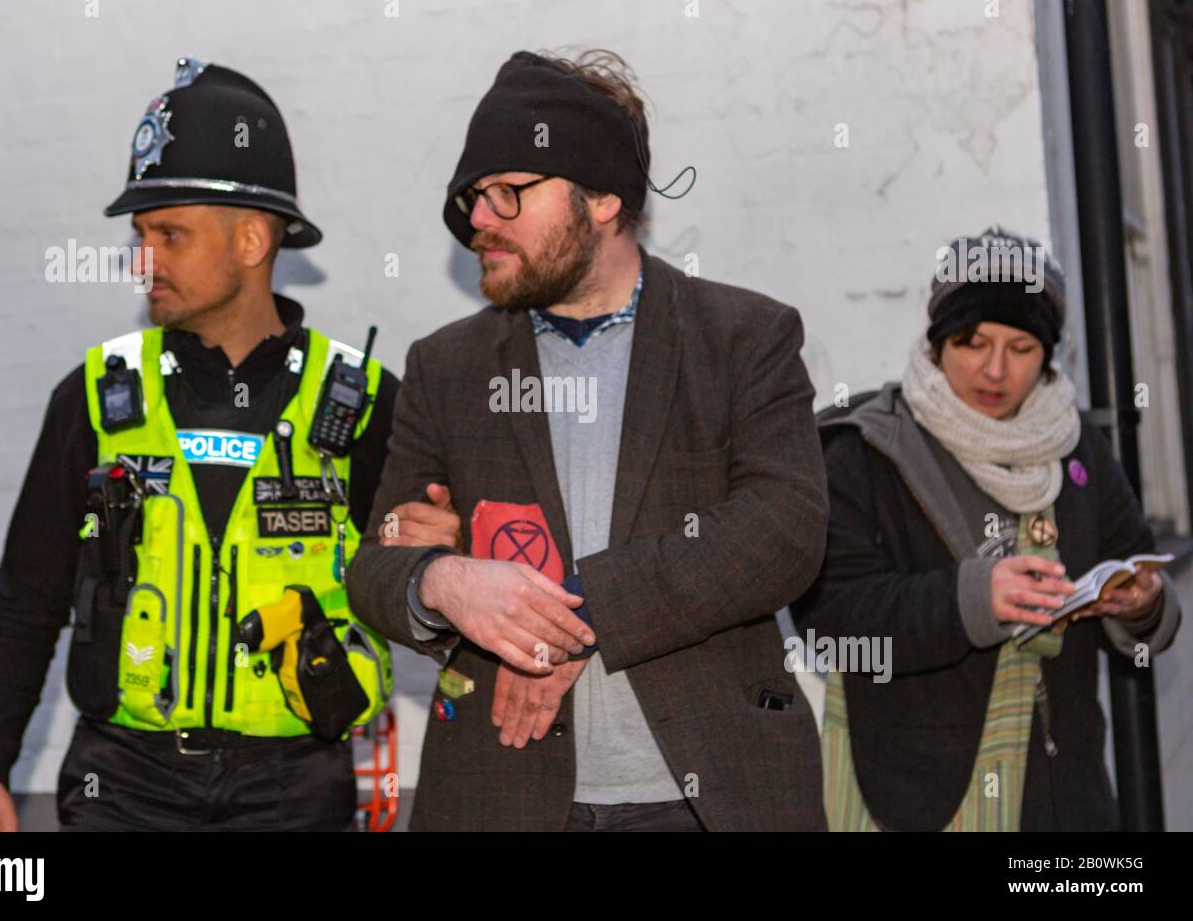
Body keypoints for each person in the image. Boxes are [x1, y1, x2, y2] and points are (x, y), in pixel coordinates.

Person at [347, 49, 830, 831]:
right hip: (503, 796)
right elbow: (376, 565)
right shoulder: (447, 367)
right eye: (474, 197)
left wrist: (569, 617)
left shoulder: (743, 337)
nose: (478, 218)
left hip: (712, 797)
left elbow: (783, 531)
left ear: (602, 197)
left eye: (509, 192)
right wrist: (442, 581)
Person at [0, 57, 426, 831]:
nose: (145, 259)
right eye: (140, 235)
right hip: (122, 784)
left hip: (297, 790)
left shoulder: (365, 403)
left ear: (250, 239)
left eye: (169, 234)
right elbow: (23, 598)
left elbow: (421, 590)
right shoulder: (98, 396)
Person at [793, 227, 1181, 831]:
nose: (995, 369)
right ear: (938, 340)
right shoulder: (863, 449)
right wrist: (975, 599)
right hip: (922, 803)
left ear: (1048, 354)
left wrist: (1139, 605)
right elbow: (830, 626)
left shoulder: (1078, 449)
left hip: (1067, 806)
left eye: (1021, 347)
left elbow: (1139, 597)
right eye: (972, 342)